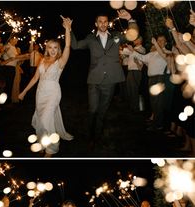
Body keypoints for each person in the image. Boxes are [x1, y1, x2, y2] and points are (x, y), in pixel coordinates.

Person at [64, 10, 136, 144]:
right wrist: (69, 29)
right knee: (93, 109)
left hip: (110, 80)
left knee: (102, 111)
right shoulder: (90, 38)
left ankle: (97, 136)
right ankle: (90, 135)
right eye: (100, 22)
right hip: (94, 80)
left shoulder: (116, 36)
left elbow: (132, 36)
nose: (103, 24)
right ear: (96, 23)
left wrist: (130, 19)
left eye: (105, 21)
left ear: (107, 23)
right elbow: (75, 45)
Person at [19, 20, 73, 156]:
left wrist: (67, 28)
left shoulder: (60, 61)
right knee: (41, 120)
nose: (53, 50)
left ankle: (52, 149)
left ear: (58, 49)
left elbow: (67, 46)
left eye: (56, 47)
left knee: (45, 120)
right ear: (47, 48)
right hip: (40, 93)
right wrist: (23, 92)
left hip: (53, 93)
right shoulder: (42, 60)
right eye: (50, 47)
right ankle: (43, 142)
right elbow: (35, 78)